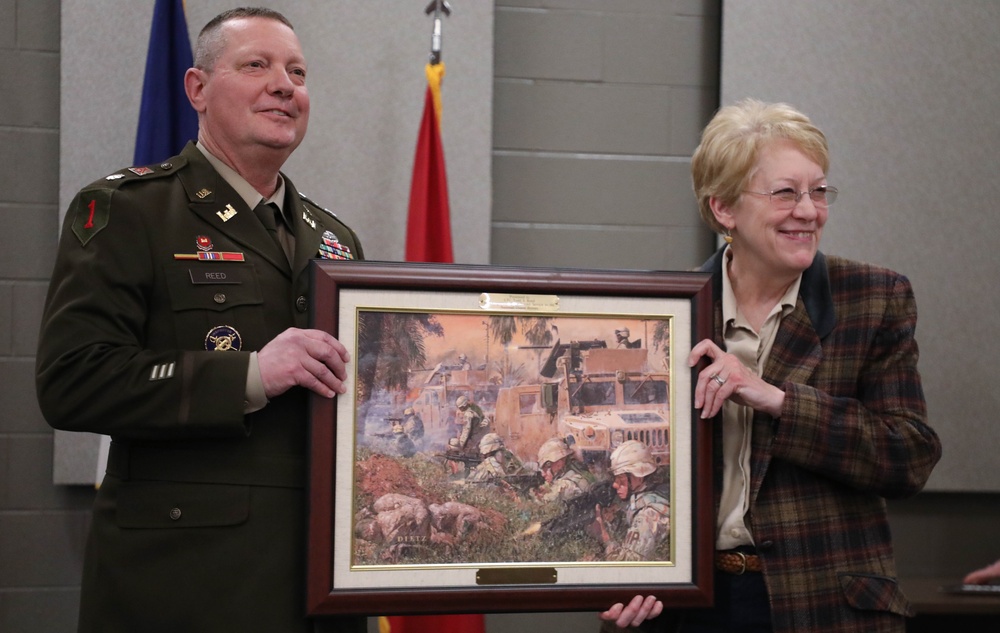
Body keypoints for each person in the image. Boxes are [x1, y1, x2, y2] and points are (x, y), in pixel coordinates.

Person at [35, 8, 364, 633]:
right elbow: (71, 380)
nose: (284, 85)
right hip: (184, 581)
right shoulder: (128, 211)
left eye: (296, 71)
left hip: (318, 587)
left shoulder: (336, 241)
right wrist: (249, 375)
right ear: (197, 89)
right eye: (256, 65)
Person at [600, 99, 941, 633]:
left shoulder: (873, 299)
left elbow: (909, 457)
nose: (809, 211)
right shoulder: (666, 314)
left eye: (819, 191)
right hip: (689, 605)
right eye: (786, 193)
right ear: (724, 209)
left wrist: (776, 398)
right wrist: (617, 575)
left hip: (821, 602)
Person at [595, 440, 670, 562]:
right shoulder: (651, 496)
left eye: (621, 479)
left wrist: (605, 537)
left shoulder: (648, 515)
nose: (615, 484)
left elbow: (625, 564)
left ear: (638, 476)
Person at [534, 436, 595, 504]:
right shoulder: (568, 475)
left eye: (546, 467)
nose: (543, 474)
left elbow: (548, 506)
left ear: (559, 464)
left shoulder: (568, 484)